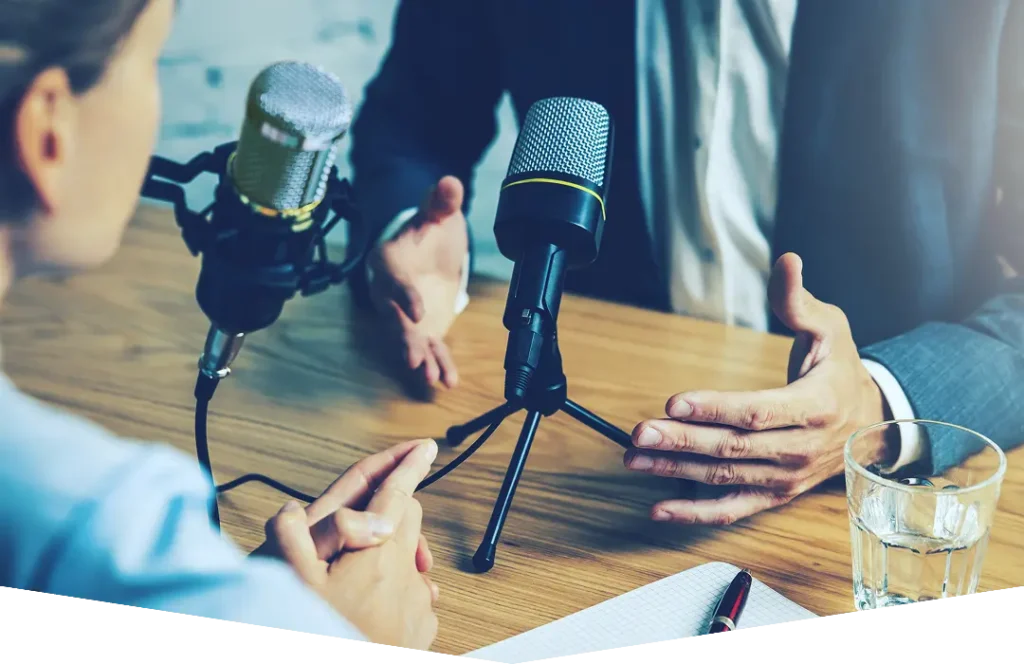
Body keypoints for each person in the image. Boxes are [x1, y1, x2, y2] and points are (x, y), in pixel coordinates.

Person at [348, 0, 1024, 525]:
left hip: (894, 499)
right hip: (594, 453)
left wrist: (879, 405)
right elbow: (413, 125)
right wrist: (409, 233)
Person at [0, 0, 439, 649]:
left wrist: (232, 598)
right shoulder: (102, 518)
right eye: (150, 62)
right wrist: (349, 635)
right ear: (47, 132)